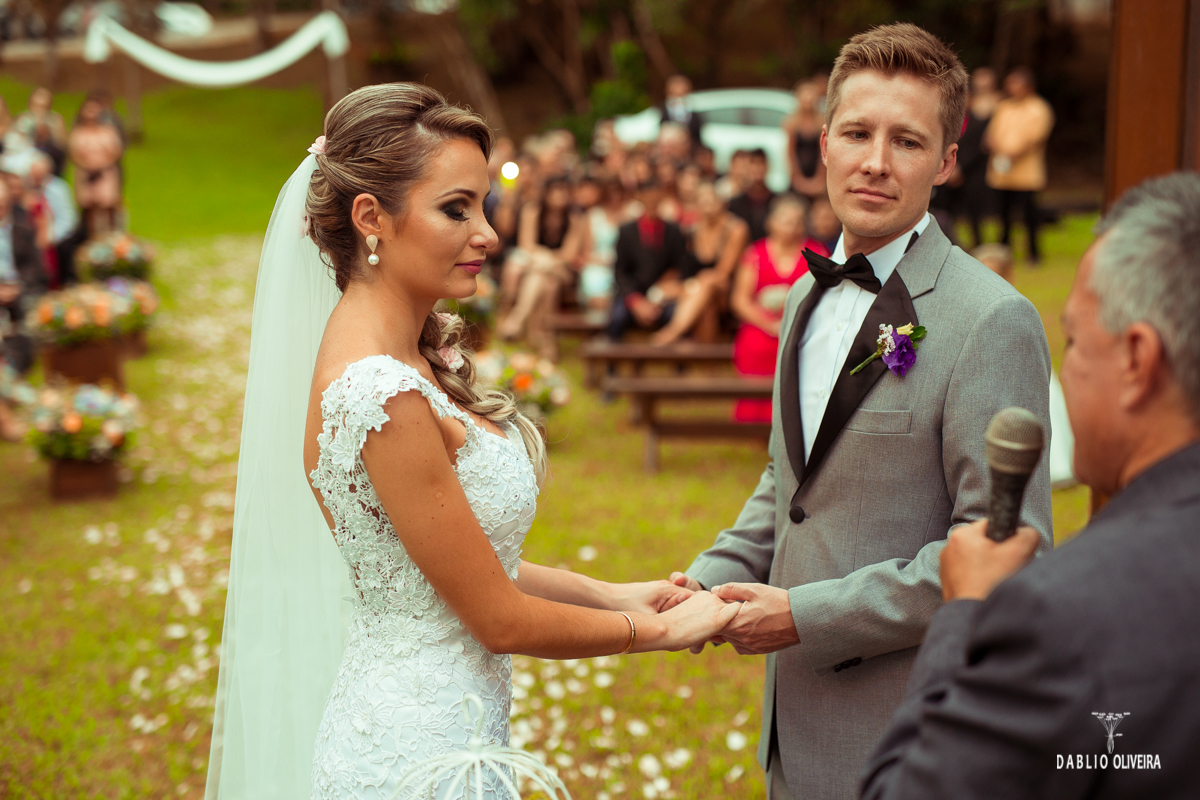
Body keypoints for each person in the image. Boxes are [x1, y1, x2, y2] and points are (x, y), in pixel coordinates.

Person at [204, 83, 739, 800]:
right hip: (414, 758)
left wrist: (617, 595)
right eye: (456, 208)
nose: (488, 233)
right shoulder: (379, 395)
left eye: (482, 205)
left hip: (446, 729)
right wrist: (659, 635)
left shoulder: (407, 361)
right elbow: (495, 616)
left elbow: (470, 570)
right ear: (372, 218)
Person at [669, 24, 1053, 800]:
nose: (875, 161)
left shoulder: (991, 320)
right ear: (822, 144)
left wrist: (806, 616)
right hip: (795, 738)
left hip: (913, 736)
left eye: (907, 141)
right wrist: (704, 585)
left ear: (947, 160)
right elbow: (792, 485)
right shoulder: (806, 295)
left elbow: (1009, 549)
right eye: (857, 133)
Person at [861, 171, 1200, 800]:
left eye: (1073, 341)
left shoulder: (1065, 611)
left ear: (1136, 361)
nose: (1065, 370)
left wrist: (964, 617)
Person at [729, 196, 826, 422]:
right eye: (786, 221)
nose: (791, 227)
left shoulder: (816, 252)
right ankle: (753, 419)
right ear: (771, 222)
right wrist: (768, 323)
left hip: (802, 325)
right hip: (761, 326)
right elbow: (740, 300)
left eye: (797, 221)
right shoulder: (755, 253)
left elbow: (825, 296)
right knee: (755, 344)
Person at [651, 181, 749, 345]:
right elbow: (685, 268)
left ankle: (672, 332)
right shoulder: (693, 230)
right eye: (702, 202)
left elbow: (723, 272)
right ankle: (703, 361)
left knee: (708, 282)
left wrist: (688, 287)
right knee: (706, 306)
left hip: (728, 289)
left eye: (711, 200)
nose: (707, 206)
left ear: (721, 202)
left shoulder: (736, 228)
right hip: (700, 292)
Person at [497, 176, 584, 358]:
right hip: (538, 266)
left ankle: (517, 320)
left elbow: (568, 254)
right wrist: (543, 258)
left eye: (564, 191)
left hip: (561, 269)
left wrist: (546, 259)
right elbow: (526, 244)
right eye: (556, 191)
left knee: (543, 272)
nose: (561, 196)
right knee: (547, 284)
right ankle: (545, 340)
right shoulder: (532, 211)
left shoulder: (575, 218)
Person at [985, 67, 1054, 264]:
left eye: (1016, 84)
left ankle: (1033, 253)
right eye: (1010, 84)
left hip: (1026, 171)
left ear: (1028, 86)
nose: (1012, 88)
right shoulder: (1003, 107)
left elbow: (1036, 136)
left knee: (1029, 214)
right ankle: (1003, 250)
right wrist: (996, 146)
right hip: (1002, 171)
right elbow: (992, 133)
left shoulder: (1039, 108)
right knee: (1003, 214)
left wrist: (1014, 153)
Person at [606, 181, 689, 340]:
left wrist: (660, 295)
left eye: (656, 197)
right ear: (640, 198)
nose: (652, 202)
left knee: (676, 318)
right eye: (648, 197)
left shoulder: (674, 231)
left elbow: (680, 267)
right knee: (616, 319)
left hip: (663, 294)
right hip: (633, 293)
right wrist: (636, 301)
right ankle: (611, 363)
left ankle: (679, 363)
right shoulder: (626, 231)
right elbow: (620, 272)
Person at [952, 68, 1002, 248]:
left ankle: (978, 244)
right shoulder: (948, 122)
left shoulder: (980, 122)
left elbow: (979, 149)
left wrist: (961, 168)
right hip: (949, 172)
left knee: (974, 212)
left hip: (971, 172)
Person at [0, 178, 44, 373]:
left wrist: (18, 286)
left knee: (27, 314)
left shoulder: (23, 227)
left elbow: (35, 267)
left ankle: (15, 365)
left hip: (20, 286)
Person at [68, 96, 123, 238]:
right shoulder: (78, 132)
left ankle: (112, 238)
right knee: (89, 208)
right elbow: (73, 153)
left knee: (108, 205)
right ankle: (90, 239)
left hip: (105, 173)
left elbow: (116, 151)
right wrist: (88, 167)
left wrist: (102, 166)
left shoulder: (108, 130)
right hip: (86, 174)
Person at [785, 80, 828, 201]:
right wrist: (797, 179)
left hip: (818, 172)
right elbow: (790, 154)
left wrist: (820, 179)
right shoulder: (792, 123)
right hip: (798, 174)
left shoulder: (822, 122)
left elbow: (824, 151)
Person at [727, 149, 777, 242]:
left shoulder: (778, 201)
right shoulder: (735, 203)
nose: (758, 168)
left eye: (761, 163)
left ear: (768, 166)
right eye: (754, 164)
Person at [659, 74, 704, 150]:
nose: (679, 99)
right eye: (675, 94)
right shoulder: (662, 111)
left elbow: (698, 136)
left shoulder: (695, 113)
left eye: (682, 94)